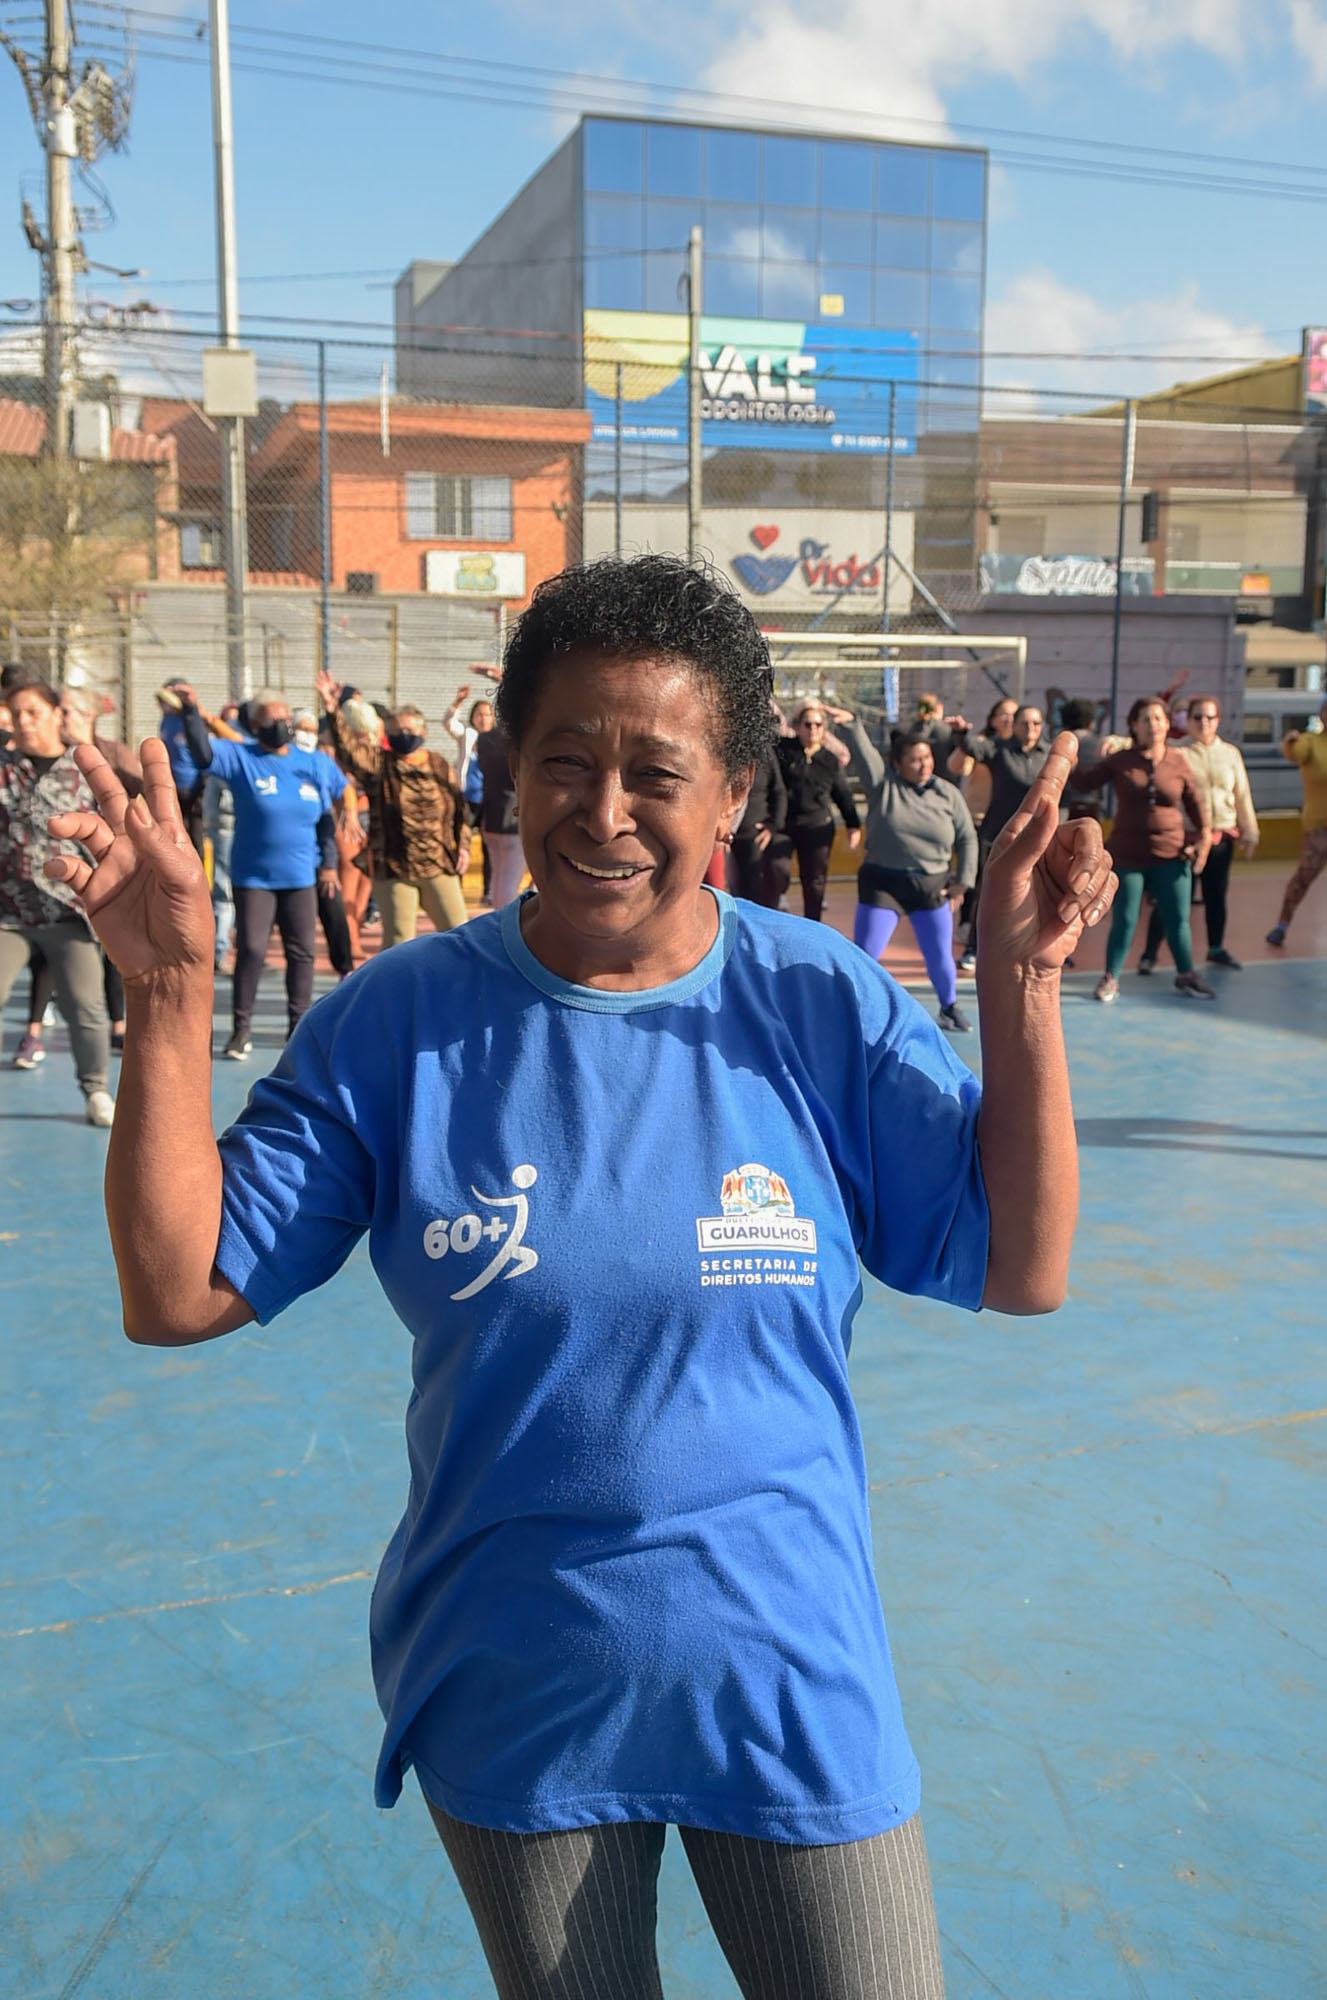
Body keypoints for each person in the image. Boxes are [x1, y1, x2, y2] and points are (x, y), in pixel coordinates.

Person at [52, 551, 1114, 2000]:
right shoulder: (397, 1024)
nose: (602, 814)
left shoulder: (815, 1002)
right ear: (506, 768)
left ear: (735, 793)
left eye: (655, 774)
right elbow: (179, 1290)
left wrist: (1022, 985)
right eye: (563, 761)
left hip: (786, 1678)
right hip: (517, 1692)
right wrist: (170, 992)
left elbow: (1019, 1263)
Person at [191, 689, 344, 1059]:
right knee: (253, 950)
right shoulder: (242, 757)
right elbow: (203, 753)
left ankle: (298, 1027)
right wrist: (192, 713)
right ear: (255, 724)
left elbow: (328, 815)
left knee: (302, 952)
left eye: (285, 717)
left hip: (301, 877)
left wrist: (329, 862)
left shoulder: (313, 763)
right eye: (271, 719)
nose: (282, 725)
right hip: (254, 877)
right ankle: (240, 1030)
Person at [0, 678, 114, 1124]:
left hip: (69, 910)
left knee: (85, 1007)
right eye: (16, 713)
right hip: (8, 911)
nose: (25, 722)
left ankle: (96, 1091)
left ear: (55, 712)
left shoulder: (84, 764)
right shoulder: (5, 765)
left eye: (33, 711)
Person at [832, 707, 979, 1033]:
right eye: (914, 759)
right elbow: (866, 755)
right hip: (883, 885)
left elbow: (967, 838)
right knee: (867, 953)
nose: (924, 764)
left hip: (930, 887)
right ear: (898, 763)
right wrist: (853, 727)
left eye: (926, 757)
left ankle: (949, 1007)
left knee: (939, 954)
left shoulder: (948, 794)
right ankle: (855, 1010)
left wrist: (963, 882)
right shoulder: (883, 786)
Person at [317, 671, 471, 950]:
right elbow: (349, 750)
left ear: (424, 732)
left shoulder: (439, 764)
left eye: (410, 730)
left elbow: (459, 809)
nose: (404, 735)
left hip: (438, 862)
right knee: (399, 940)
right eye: (397, 730)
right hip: (395, 866)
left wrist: (464, 846)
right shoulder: (379, 764)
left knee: (462, 933)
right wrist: (332, 709)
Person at [1076, 696, 1214, 1003]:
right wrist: (1066, 759)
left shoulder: (1178, 760)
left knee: (1177, 918)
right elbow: (1086, 782)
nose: (1153, 725)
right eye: (1146, 720)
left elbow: (1195, 802)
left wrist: (1204, 836)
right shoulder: (1121, 759)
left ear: (1167, 724)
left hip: (1172, 853)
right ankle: (1110, 977)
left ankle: (1186, 974)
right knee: (1125, 918)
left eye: (1159, 719)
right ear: (1134, 726)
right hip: (1128, 855)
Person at [1137, 694, 1258, 972]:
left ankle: (1216, 948)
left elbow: (1242, 795)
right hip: (1185, 840)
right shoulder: (1176, 752)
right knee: (1173, 898)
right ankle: (1149, 953)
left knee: (1217, 895)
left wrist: (1250, 830)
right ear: (1186, 721)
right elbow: (1142, 749)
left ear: (1218, 720)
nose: (1204, 723)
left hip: (1220, 838)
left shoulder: (1230, 754)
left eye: (1210, 717)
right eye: (1198, 717)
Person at [59, 685, 145, 1052]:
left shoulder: (112, 752)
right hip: (62, 862)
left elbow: (139, 792)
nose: (58, 718)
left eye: (65, 711)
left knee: (112, 942)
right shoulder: (49, 755)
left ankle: (118, 1020)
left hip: (105, 859)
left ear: (86, 715)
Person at [772, 700, 862, 921]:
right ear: (797, 726)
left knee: (814, 879)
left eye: (818, 725)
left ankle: (813, 925)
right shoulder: (783, 751)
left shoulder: (830, 760)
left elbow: (843, 794)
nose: (813, 729)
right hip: (784, 824)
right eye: (808, 724)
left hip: (817, 825)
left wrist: (853, 825)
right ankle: (772, 918)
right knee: (776, 870)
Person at [1266, 699, 1327, 948]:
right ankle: (1282, 924)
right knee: (1305, 875)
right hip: (1319, 826)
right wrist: (1290, 741)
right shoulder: (1311, 742)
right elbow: (1294, 752)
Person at [728, 741, 787, 907]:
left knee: (752, 890)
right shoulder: (721, 745)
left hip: (752, 833)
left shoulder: (763, 751)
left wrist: (773, 825)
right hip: (719, 834)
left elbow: (778, 791)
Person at [474, 712, 524, 907]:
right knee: (510, 878)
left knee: (498, 875)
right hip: (512, 815)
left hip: (489, 813)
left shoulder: (485, 738)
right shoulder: (519, 742)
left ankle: (498, 917)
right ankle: (504, 922)